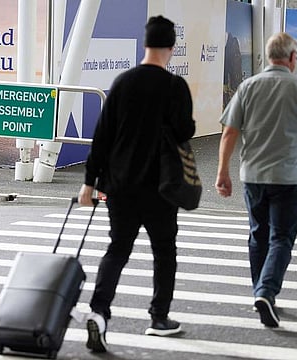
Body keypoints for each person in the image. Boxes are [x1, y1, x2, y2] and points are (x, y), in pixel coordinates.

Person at [78, 15, 195, 352]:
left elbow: (102, 137)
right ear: (171, 47)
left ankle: (99, 313)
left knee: (117, 249)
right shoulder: (175, 87)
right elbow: (185, 132)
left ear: (145, 44)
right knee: (164, 251)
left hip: (121, 185)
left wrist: (89, 183)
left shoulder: (123, 82)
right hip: (161, 187)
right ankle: (159, 318)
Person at [215, 32, 297, 328]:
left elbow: (229, 132)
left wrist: (223, 172)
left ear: (269, 57)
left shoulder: (248, 87)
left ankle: (260, 292)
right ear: (292, 58)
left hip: (252, 176)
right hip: (288, 178)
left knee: (258, 234)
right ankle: (266, 291)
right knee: (281, 238)